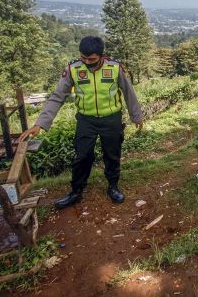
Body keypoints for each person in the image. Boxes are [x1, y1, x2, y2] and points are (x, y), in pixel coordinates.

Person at [18, 36, 144, 210]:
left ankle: (113, 187)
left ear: (101, 55)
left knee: (112, 155)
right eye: (83, 58)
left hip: (111, 119)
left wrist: (136, 116)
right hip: (86, 120)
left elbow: (129, 93)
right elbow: (57, 97)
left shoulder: (115, 68)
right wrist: (40, 123)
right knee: (82, 156)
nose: (86, 62)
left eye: (91, 59)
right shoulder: (73, 69)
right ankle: (76, 191)